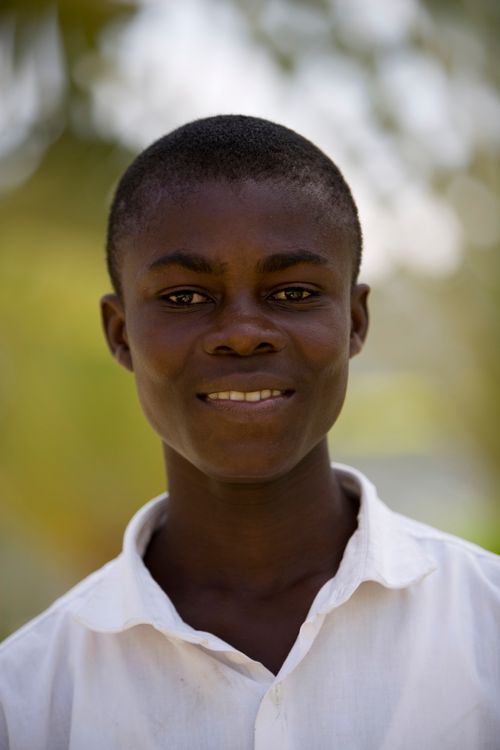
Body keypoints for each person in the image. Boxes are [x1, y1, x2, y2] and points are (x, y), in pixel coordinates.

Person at [0, 115, 498, 749]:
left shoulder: (488, 628)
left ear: (355, 320)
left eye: (292, 292)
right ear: (120, 333)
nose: (242, 331)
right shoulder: (29, 698)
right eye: (184, 297)